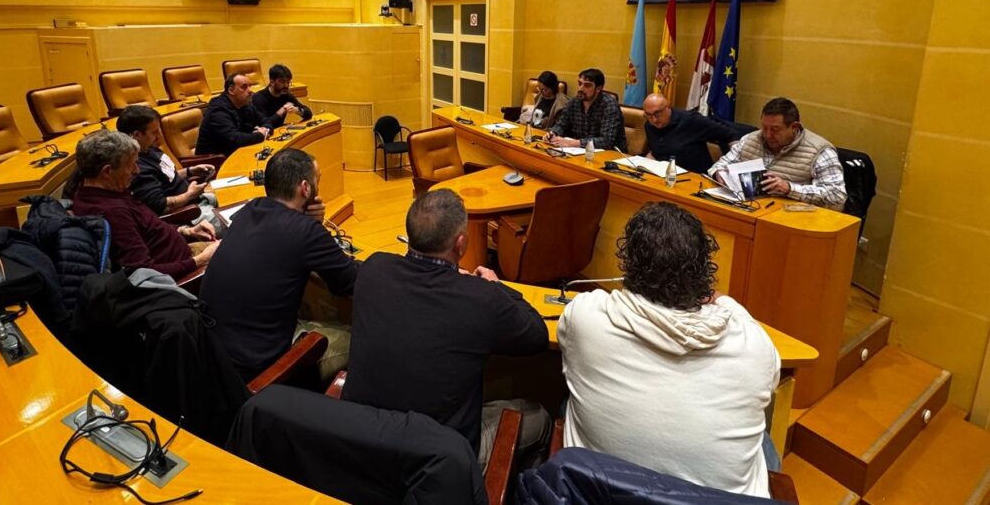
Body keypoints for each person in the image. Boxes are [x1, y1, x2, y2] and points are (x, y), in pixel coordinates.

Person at [558, 201, 780, 496]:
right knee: (763, 442)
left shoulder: (586, 316)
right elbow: (767, 376)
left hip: (599, 496)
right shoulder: (755, 346)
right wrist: (723, 301)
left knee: (567, 402)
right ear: (704, 272)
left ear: (628, 265)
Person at [342, 190, 551, 467]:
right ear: (460, 244)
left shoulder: (374, 268)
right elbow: (537, 334)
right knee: (539, 418)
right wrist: (497, 286)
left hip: (359, 444)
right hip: (436, 464)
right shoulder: (481, 298)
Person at [200, 148, 358, 381]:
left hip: (211, 351)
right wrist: (314, 227)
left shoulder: (249, 210)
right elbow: (349, 282)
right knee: (357, 337)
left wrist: (309, 222)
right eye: (318, 180)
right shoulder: (305, 232)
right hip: (258, 368)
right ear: (305, 188)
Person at [71, 130, 218, 281]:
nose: (137, 170)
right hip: (187, 273)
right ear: (107, 171)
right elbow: (144, 274)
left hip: (185, 253)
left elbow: (149, 228)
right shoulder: (112, 212)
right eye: (131, 165)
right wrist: (201, 260)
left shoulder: (100, 191)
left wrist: (186, 231)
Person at [708, 97, 846, 210]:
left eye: (775, 130)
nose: (768, 135)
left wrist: (789, 188)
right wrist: (719, 174)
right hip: (748, 209)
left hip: (792, 218)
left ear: (794, 127)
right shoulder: (750, 139)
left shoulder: (819, 151)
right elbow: (719, 165)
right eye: (764, 128)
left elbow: (837, 196)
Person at [115, 105, 224, 233]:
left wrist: (190, 171)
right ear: (137, 135)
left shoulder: (148, 148)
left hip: (198, 200)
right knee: (238, 224)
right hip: (189, 214)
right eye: (154, 132)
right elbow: (160, 206)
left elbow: (165, 175)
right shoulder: (137, 167)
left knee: (238, 198)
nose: (159, 135)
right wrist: (189, 195)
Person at [641, 93, 743, 174]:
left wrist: (733, 166)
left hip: (693, 177)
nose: (654, 120)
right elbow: (655, 152)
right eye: (648, 115)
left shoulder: (691, 121)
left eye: (657, 113)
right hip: (662, 175)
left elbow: (730, 134)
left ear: (668, 106)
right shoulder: (649, 125)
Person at [546, 67, 626, 152]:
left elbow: (607, 141)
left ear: (598, 89)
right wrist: (553, 133)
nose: (580, 88)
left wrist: (574, 143)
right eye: (580, 83)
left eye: (587, 85)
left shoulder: (609, 105)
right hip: (580, 151)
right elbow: (561, 124)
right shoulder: (574, 102)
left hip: (610, 155)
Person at [196, 72, 275, 157]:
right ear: (231, 90)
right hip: (214, 161)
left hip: (237, 153)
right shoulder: (217, 110)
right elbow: (234, 140)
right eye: (244, 87)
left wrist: (265, 130)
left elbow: (266, 121)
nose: (250, 91)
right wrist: (260, 135)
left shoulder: (246, 104)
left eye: (250, 86)